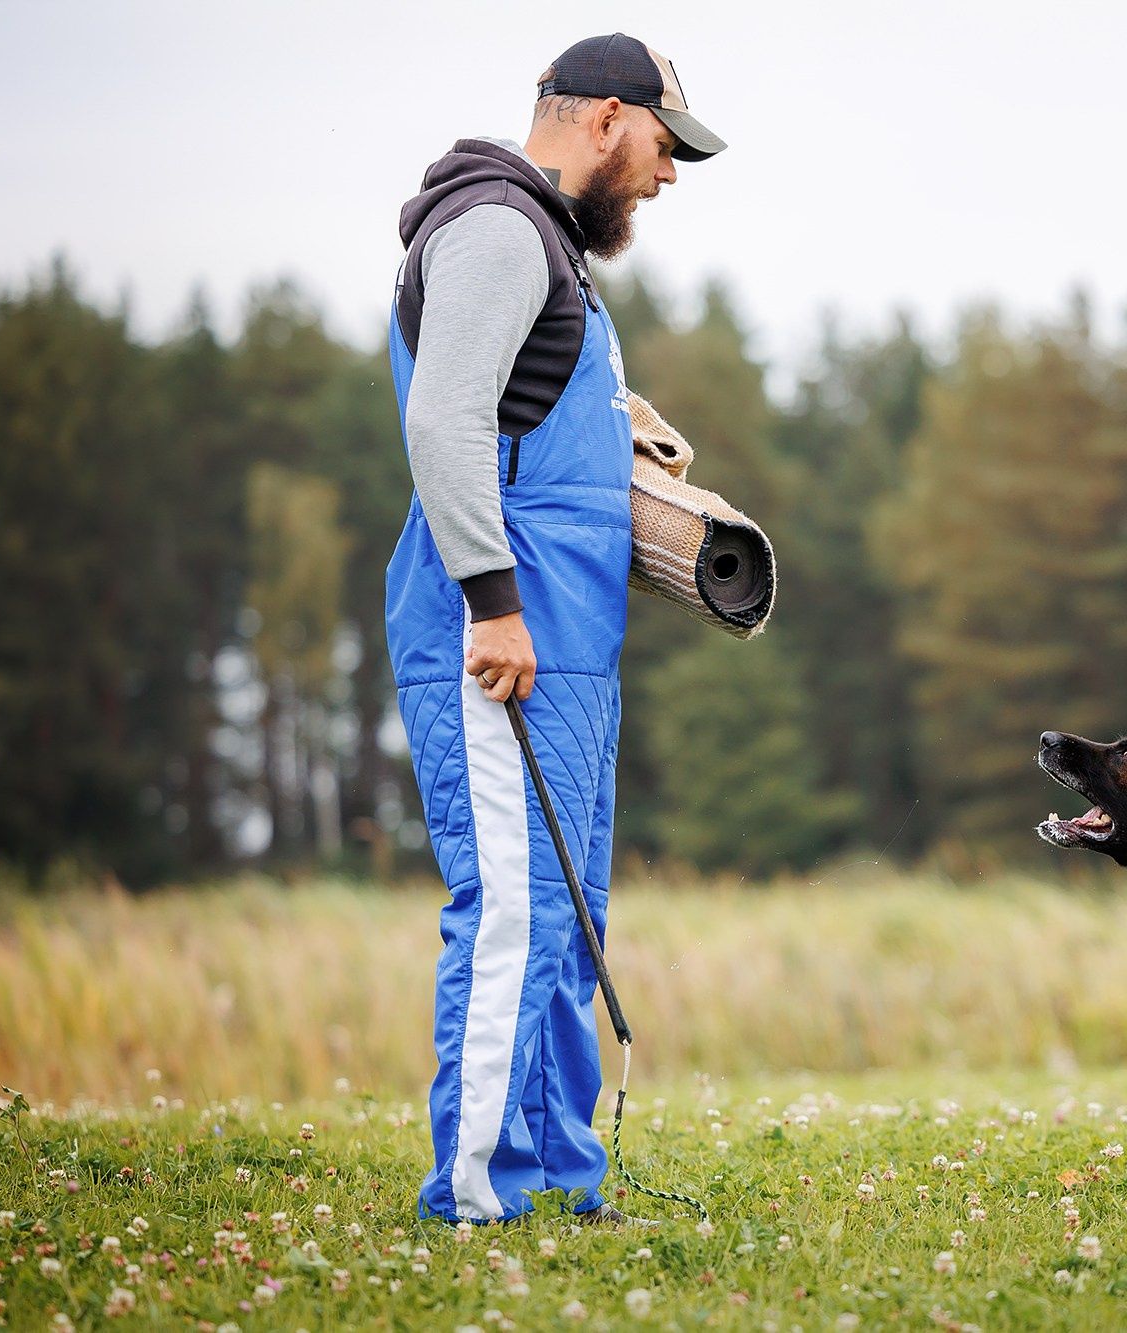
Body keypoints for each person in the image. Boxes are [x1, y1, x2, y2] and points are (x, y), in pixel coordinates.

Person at [383, 33, 725, 1225]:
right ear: (604, 121)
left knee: (568, 916)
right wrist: (492, 602)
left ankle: (555, 1177)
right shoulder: (492, 226)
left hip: (567, 643)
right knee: (513, 911)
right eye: (664, 146)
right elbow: (445, 424)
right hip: (503, 635)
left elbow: (525, 424)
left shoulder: (554, 253)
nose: (668, 173)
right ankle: (475, 1194)